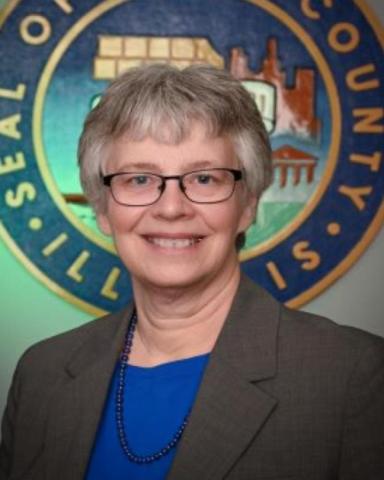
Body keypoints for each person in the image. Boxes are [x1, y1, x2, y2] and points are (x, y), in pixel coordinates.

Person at [0, 64, 383, 480]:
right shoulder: (42, 374)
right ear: (101, 207)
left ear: (249, 204)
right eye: (140, 179)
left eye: (204, 178)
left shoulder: (351, 374)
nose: (171, 208)